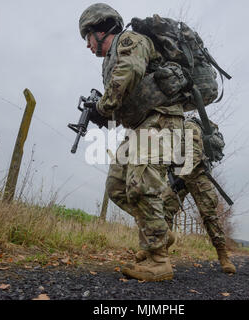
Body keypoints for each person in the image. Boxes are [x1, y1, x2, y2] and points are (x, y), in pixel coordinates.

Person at [79, 3, 185, 281]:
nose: (87, 46)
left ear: (100, 29)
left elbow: (129, 73)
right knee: (117, 186)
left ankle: (159, 260)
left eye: (87, 37)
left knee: (142, 188)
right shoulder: (110, 58)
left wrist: (102, 106)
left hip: (160, 121)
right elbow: (123, 101)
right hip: (139, 127)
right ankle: (159, 233)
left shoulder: (130, 41)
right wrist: (102, 114)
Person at [141, 117, 236, 274]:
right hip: (178, 174)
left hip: (198, 174)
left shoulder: (190, 126)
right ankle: (157, 251)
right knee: (164, 208)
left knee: (209, 215)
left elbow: (196, 155)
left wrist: (182, 179)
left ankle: (223, 256)